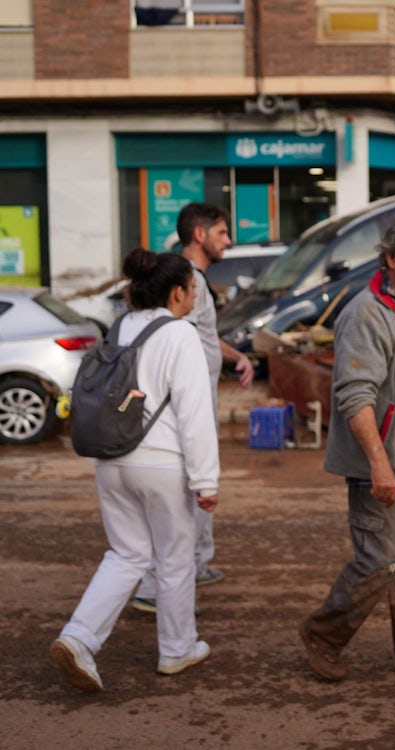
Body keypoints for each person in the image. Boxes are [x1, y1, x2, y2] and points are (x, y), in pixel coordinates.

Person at [51, 248, 219, 691]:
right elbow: (194, 413)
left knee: (126, 554)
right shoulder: (180, 334)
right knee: (175, 558)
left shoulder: (119, 327)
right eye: (193, 290)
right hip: (161, 463)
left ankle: (79, 637)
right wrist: (206, 480)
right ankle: (177, 649)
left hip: (110, 458)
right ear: (178, 291)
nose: (195, 298)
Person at [298, 214, 395, 682]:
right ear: (391, 258)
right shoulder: (366, 313)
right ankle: (323, 635)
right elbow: (355, 395)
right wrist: (379, 465)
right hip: (383, 465)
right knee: (379, 562)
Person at [132, 202, 253, 612]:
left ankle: (191, 568)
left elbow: (202, 335)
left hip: (193, 397)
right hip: (185, 403)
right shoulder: (185, 282)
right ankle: (157, 590)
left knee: (191, 493)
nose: (228, 240)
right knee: (189, 494)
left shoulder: (193, 281)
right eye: (222, 232)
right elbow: (177, 339)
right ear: (199, 234)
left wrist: (236, 356)